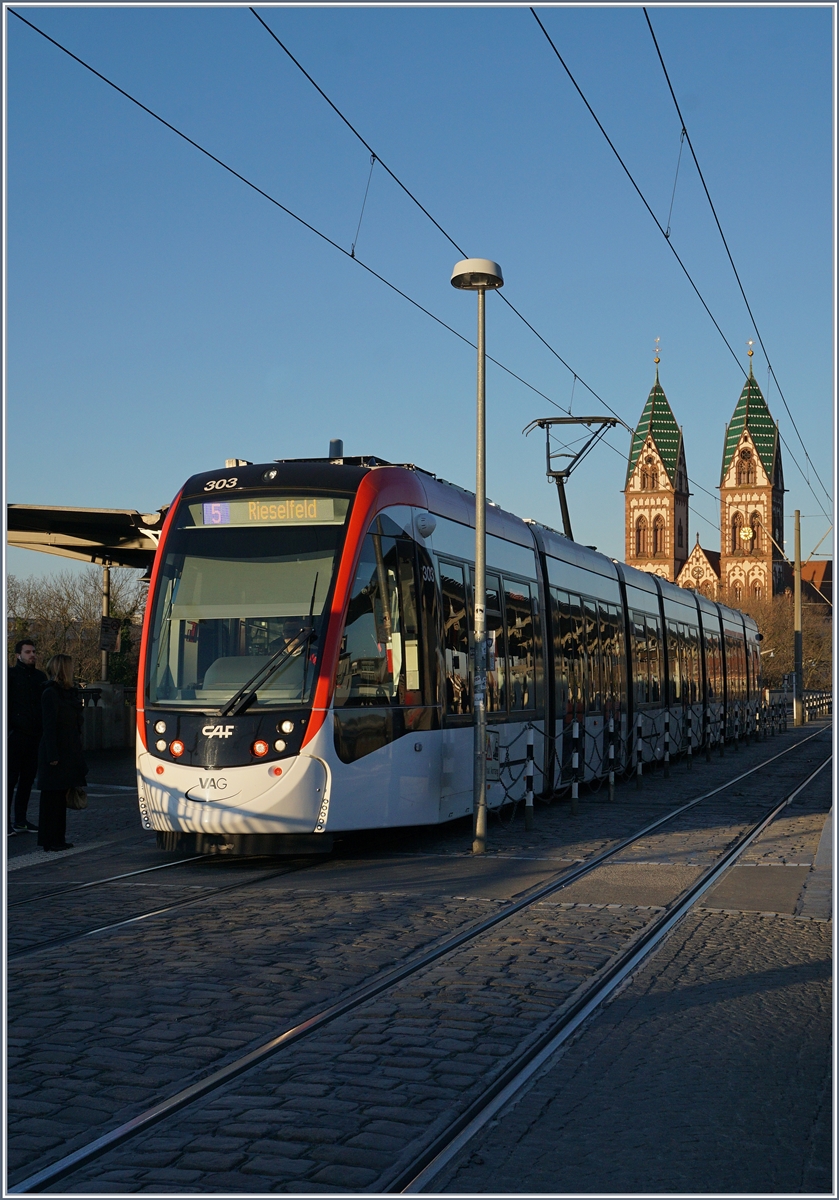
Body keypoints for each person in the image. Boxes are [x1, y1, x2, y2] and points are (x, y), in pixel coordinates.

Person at [36, 654, 87, 852]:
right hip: (56, 752)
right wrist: (53, 755)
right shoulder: (50, 693)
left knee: (60, 797)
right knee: (52, 799)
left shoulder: (67, 693)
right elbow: (48, 727)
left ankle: (58, 837)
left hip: (67, 751)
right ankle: (51, 839)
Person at [7, 638, 47, 835]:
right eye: (28, 652)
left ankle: (20, 819)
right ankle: (7, 821)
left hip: (33, 736)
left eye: (33, 652)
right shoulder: (10, 676)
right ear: (18, 656)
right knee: (10, 779)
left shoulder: (40, 677)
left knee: (27, 779)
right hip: (16, 736)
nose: (32, 655)